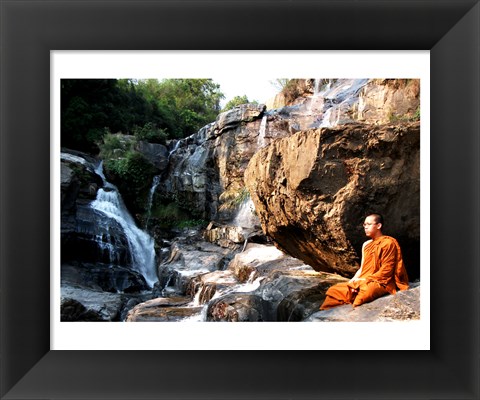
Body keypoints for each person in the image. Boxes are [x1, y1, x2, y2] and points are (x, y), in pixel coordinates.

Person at [319, 213, 409, 310]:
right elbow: (362, 268)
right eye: (364, 225)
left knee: (366, 291)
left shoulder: (388, 243)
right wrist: (352, 281)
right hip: (364, 279)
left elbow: (387, 270)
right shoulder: (366, 244)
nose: (365, 227)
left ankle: (353, 312)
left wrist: (364, 280)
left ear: (379, 226)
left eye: (369, 224)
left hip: (381, 282)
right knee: (334, 290)